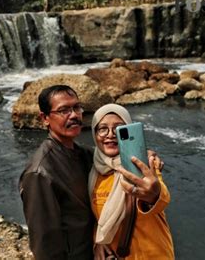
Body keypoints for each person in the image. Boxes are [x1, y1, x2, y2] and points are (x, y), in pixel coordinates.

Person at [89, 104, 174, 260]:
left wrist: (153, 195)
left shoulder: (145, 164)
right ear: (94, 134)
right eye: (102, 128)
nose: (110, 134)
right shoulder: (94, 171)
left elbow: (161, 198)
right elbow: (99, 218)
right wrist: (99, 241)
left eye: (119, 129)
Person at [19, 85, 95, 259]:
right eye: (63, 110)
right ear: (45, 118)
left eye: (76, 107)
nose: (74, 115)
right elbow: (44, 243)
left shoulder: (85, 154)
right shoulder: (40, 173)